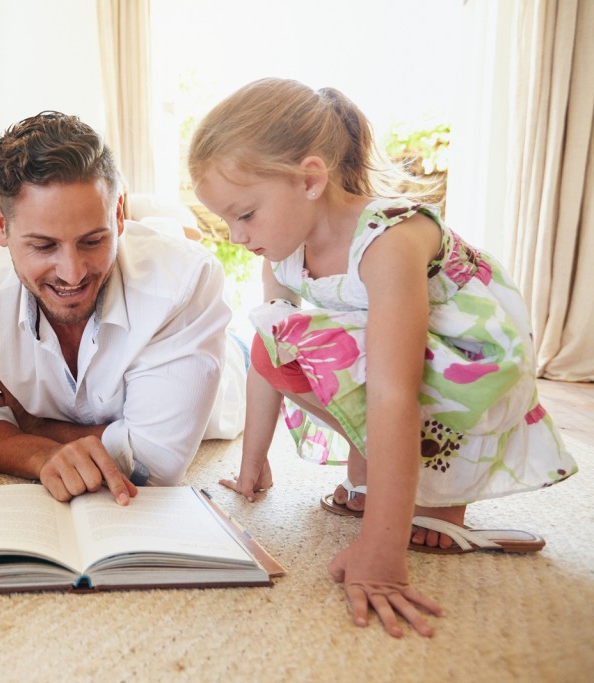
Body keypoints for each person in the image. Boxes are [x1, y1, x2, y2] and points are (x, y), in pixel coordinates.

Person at [188, 77, 577, 638]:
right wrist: (253, 464)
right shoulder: (282, 249)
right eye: (227, 219)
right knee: (276, 337)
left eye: (245, 214)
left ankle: (441, 499)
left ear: (310, 179)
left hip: (469, 368)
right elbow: (267, 353)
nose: (236, 234)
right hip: (396, 351)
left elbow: (396, 390)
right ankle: (386, 480)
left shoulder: (389, 237)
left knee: (347, 364)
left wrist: (381, 547)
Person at [0, 111, 245, 505]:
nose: (72, 273)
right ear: (0, 226)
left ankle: (165, 230)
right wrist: (40, 454)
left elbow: (155, 463)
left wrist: (29, 424)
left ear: (117, 214)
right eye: (44, 246)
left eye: (92, 240)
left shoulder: (187, 282)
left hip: (234, 370)